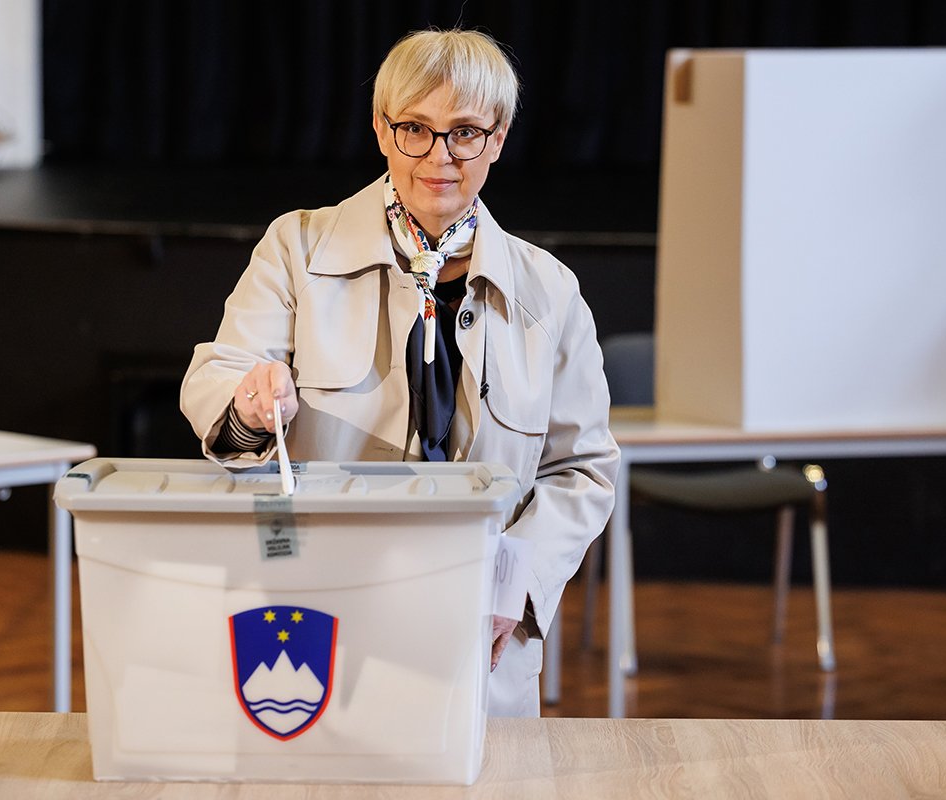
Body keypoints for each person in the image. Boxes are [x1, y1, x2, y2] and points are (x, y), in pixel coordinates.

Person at [181, 28, 618, 717]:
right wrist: (249, 402)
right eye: (415, 128)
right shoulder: (296, 247)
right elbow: (222, 377)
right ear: (382, 131)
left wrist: (514, 582)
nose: (439, 156)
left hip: (477, 631)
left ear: (498, 139)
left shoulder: (551, 291)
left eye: (465, 132)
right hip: (319, 616)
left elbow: (582, 470)